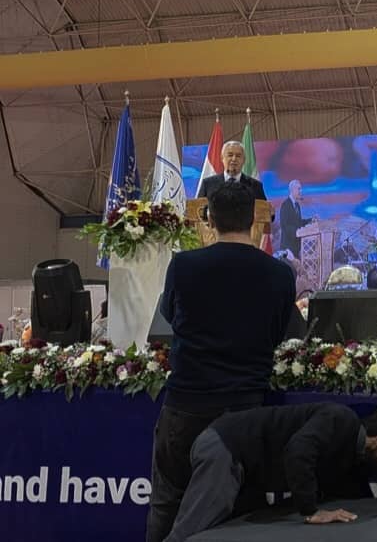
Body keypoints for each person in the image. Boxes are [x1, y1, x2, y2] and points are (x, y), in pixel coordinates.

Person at [147, 183, 297, 542]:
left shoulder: (183, 266)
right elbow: (281, 332)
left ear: (209, 219)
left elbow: (169, 317)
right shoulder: (280, 274)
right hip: (245, 413)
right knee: (241, 516)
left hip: (185, 407)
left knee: (168, 505)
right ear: (254, 220)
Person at [163, 403, 377, 542]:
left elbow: (353, 492)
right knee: (190, 533)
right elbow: (298, 451)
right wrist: (311, 512)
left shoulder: (351, 453)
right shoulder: (341, 419)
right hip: (226, 448)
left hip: (242, 463)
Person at [197, 141, 268, 200]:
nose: (234, 159)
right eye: (230, 155)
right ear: (222, 158)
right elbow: (197, 209)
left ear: (244, 160)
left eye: (238, 156)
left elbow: (264, 210)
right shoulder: (208, 184)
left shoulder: (255, 186)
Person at [278, 180, 312, 258]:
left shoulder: (297, 205)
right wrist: (297, 231)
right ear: (292, 189)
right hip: (287, 248)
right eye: (299, 189)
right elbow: (284, 226)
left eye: (300, 189)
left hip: (296, 247)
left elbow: (298, 222)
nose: (300, 191)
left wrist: (310, 220)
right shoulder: (285, 205)